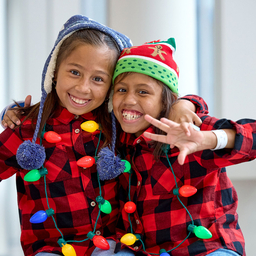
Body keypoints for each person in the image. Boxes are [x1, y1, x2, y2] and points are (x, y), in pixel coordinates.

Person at [0, 15, 208, 256]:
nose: (83, 88)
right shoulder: (27, 131)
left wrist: (185, 104)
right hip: (51, 249)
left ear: (110, 86)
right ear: (54, 71)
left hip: (112, 247)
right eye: (75, 72)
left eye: (98, 79)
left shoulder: (118, 126)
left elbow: (160, 103)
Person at [108, 38, 256, 256]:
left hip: (208, 248)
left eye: (143, 92)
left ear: (167, 100)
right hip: (146, 250)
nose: (129, 100)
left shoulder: (190, 127)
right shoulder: (117, 136)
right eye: (121, 89)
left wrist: (209, 139)